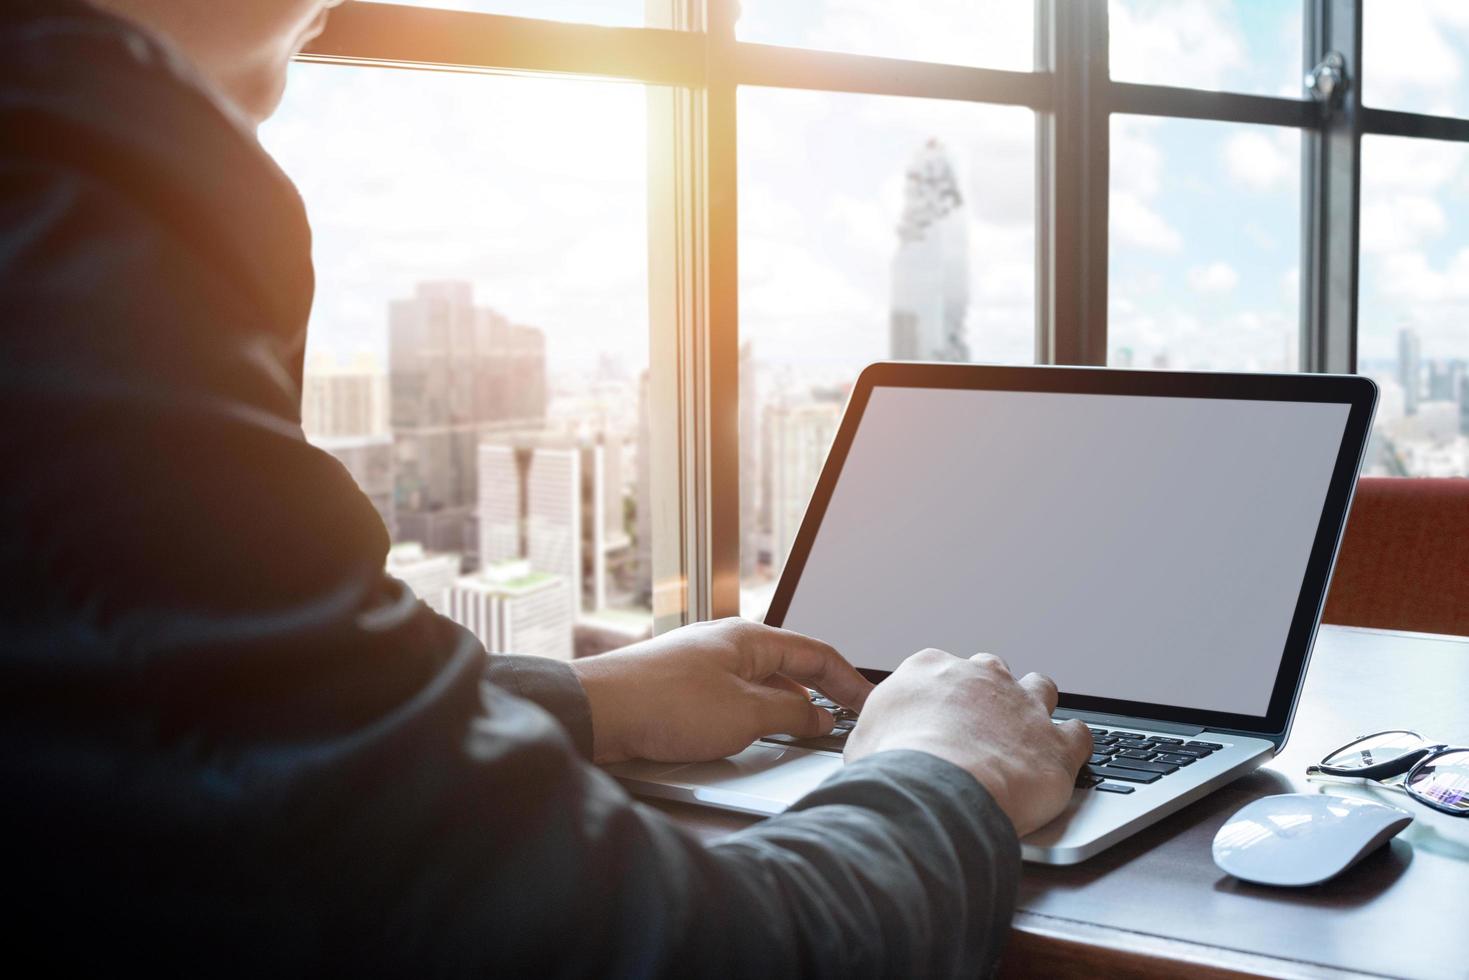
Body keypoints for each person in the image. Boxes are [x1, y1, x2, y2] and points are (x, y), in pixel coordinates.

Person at [0, 0, 1093, 975]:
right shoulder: (64, 283)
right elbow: (660, 947)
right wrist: (949, 768)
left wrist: (585, 697)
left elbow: (175, 720)